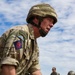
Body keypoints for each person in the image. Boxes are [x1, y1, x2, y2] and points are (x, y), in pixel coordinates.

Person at [0, 3, 57, 75]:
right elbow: (8, 66)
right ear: (36, 19)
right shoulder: (20, 34)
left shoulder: (34, 45)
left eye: (53, 23)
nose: (52, 25)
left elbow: (35, 70)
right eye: (49, 20)